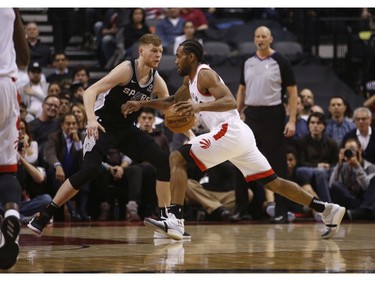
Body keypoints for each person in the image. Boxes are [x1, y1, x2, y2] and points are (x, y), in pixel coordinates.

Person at [121, 39, 346, 241]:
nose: (176, 60)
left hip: (229, 131)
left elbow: (229, 101)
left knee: (176, 158)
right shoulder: (189, 83)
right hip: (240, 137)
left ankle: (176, 221)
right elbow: (171, 101)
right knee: (274, 182)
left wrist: (199, 106)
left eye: (179, 56)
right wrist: (141, 104)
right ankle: (327, 209)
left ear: (191, 57)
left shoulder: (204, 74)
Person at [27, 34, 172, 236]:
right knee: (89, 170)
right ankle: (45, 215)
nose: (158, 55)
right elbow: (90, 91)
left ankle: (167, 219)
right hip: (102, 125)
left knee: (163, 161)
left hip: (127, 129)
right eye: (154, 51)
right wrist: (91, 119)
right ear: (141, 51)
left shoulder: (156, 80)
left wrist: (189, 128)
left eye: (161, 52)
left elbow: (168, 109)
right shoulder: (126, 69)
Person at [236, 25, 298, 222]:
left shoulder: (281, 61)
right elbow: (241, 89)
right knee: (241, 159)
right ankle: (241, 209)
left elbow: (293, 92)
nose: (260, 39)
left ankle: (282, 210)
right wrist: (237, 112)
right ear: (254, 39)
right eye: (257, 36)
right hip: (252, 115)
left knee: (277, 163)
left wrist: (292, 120)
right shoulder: (248, 62)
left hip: (274, 115)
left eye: (264, 36)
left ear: (270, 39)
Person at [0, 8, 30, 270]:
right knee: (7, 167)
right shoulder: (9, 8)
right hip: (7, 88)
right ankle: (11, 212)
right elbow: (24, 56)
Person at [329, 138, 375, 221]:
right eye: (348, 150)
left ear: (360, 150)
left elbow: (367, 187)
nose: (350, 153)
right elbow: (331, 185)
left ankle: (361, 211)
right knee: (336, 185)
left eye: (353, 150)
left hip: (366, 201)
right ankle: (361, 212)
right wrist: (339, 165)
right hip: (351, 201)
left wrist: (357, 166)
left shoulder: (370, 167)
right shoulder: (344, 166)